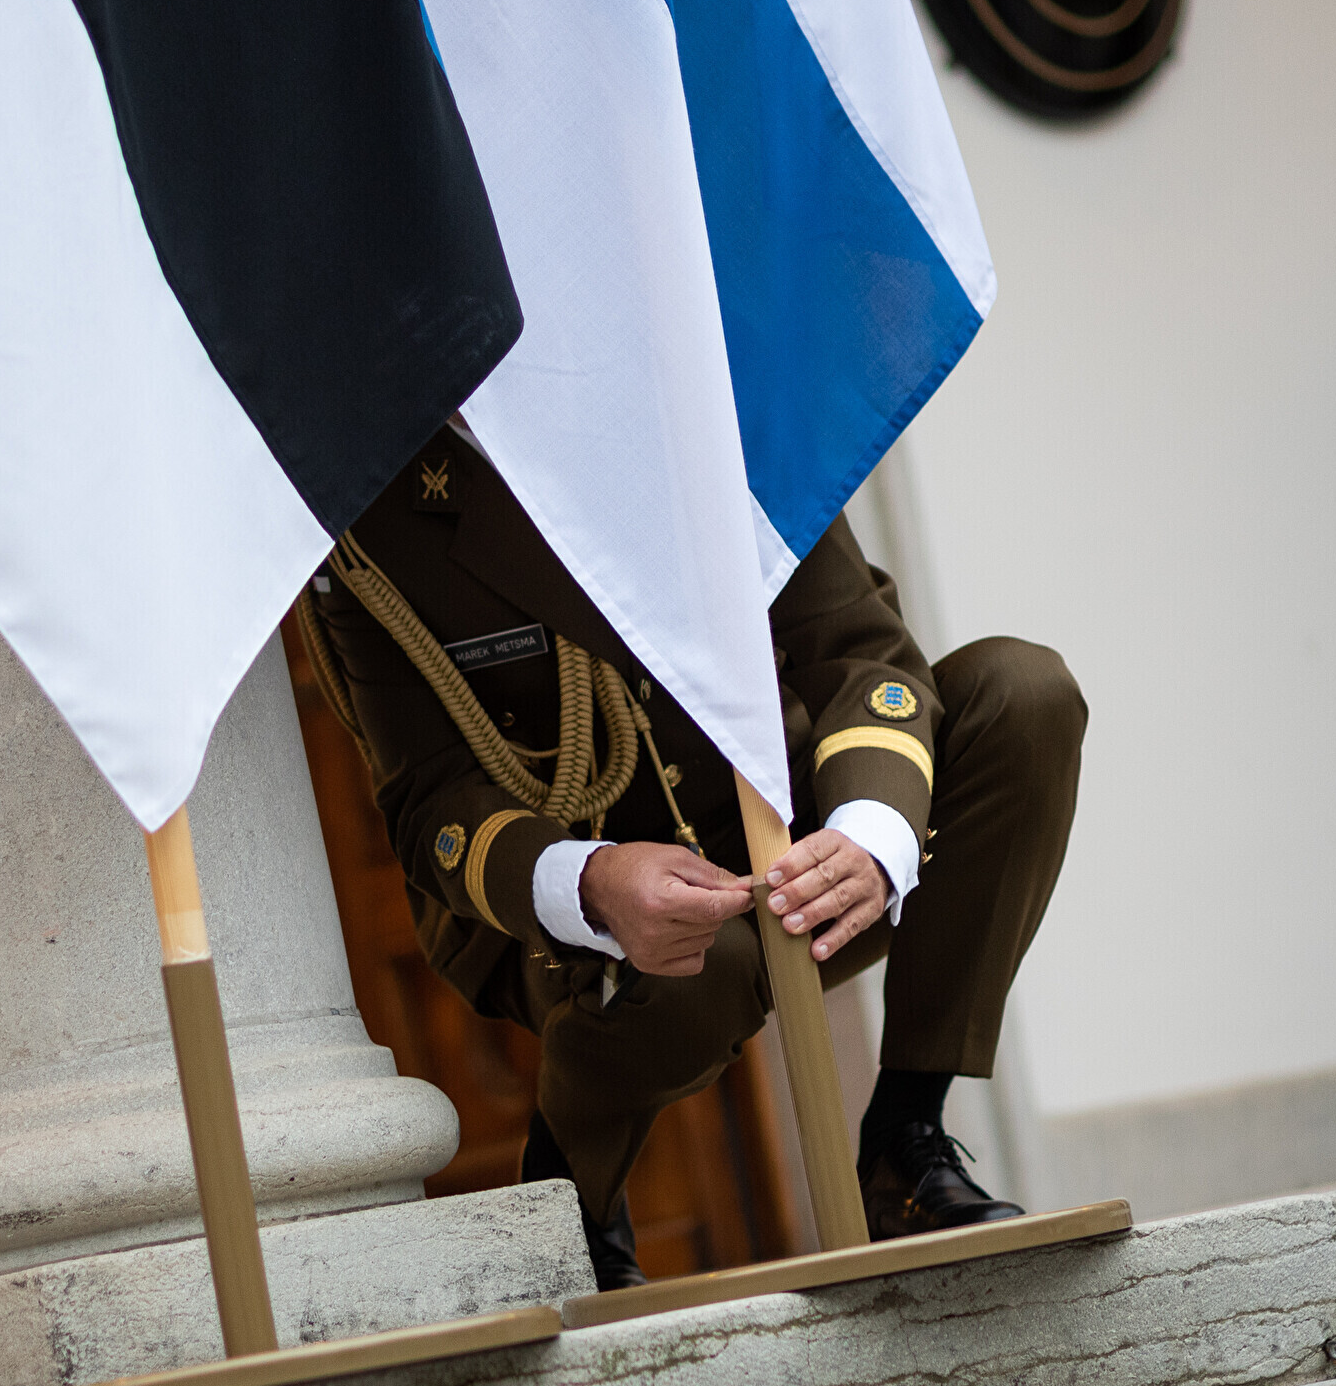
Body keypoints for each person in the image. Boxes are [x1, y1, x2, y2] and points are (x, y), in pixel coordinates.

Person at [298, 429, 1084, 1290]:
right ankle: (571, 1191)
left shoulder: (718, 398)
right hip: (565, 885)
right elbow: (432, 800)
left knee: (1021, 696)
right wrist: (590, 883)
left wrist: (870, 829)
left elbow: (856, 649)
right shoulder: (365, 492)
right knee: (706, 963)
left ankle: (906, 1136)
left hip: (784, 827)